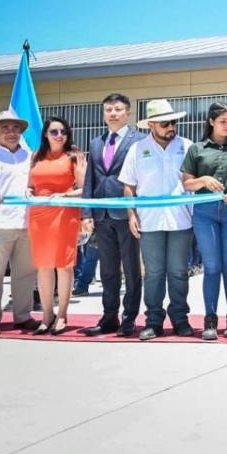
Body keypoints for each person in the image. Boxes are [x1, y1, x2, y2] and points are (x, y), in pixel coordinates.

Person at [119, 99, 194, 340]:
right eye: (164, 123)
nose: (171, 127)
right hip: (149, 221)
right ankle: (153, 320)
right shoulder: (138, 149)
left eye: (173, 122)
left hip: (181, 220)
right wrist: (131, 215)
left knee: (179, 271)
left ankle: (181, 318)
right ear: (151, 124)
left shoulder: (187, 146)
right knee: (153, 273)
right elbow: (129, 185)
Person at [182, 102, 227, 340]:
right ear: (211, 122)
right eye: (223, 121)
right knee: (212, 268)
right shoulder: (197, 149)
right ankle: (210, 319)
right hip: (205, 212)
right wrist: (203, 180)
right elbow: (187, 183)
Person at [82, 94, 144, 337]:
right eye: (108, 110)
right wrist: (86, 213)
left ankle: (129, 318)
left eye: (118, 109)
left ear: (128, 113)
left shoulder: (139, 140)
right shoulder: (96, 142)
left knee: (131, 270)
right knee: (107, 270)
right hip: (101, 215)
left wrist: (136, 212)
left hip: (128, 214)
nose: (113, 114)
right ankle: (109, 317)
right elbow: (90, 179)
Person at [27, 117, 87, 335]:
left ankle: (62, 314)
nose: (60, 135)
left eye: (63, 131)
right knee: (43, 266)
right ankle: (46, 314)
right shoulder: (36, 156)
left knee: (64, 265)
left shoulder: (74, 155)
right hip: (38, 216)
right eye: (54, 131)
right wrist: (29, 192)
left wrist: (64, 194)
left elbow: (85, 188)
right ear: (45, 134)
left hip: (64, 213)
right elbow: (30, 185)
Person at [0, 111, 39, 334]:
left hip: (26, 223)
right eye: (5, 128)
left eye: (15, 128)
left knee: (25, 274)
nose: (11, 132)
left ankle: (23, 315)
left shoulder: (30, 157)